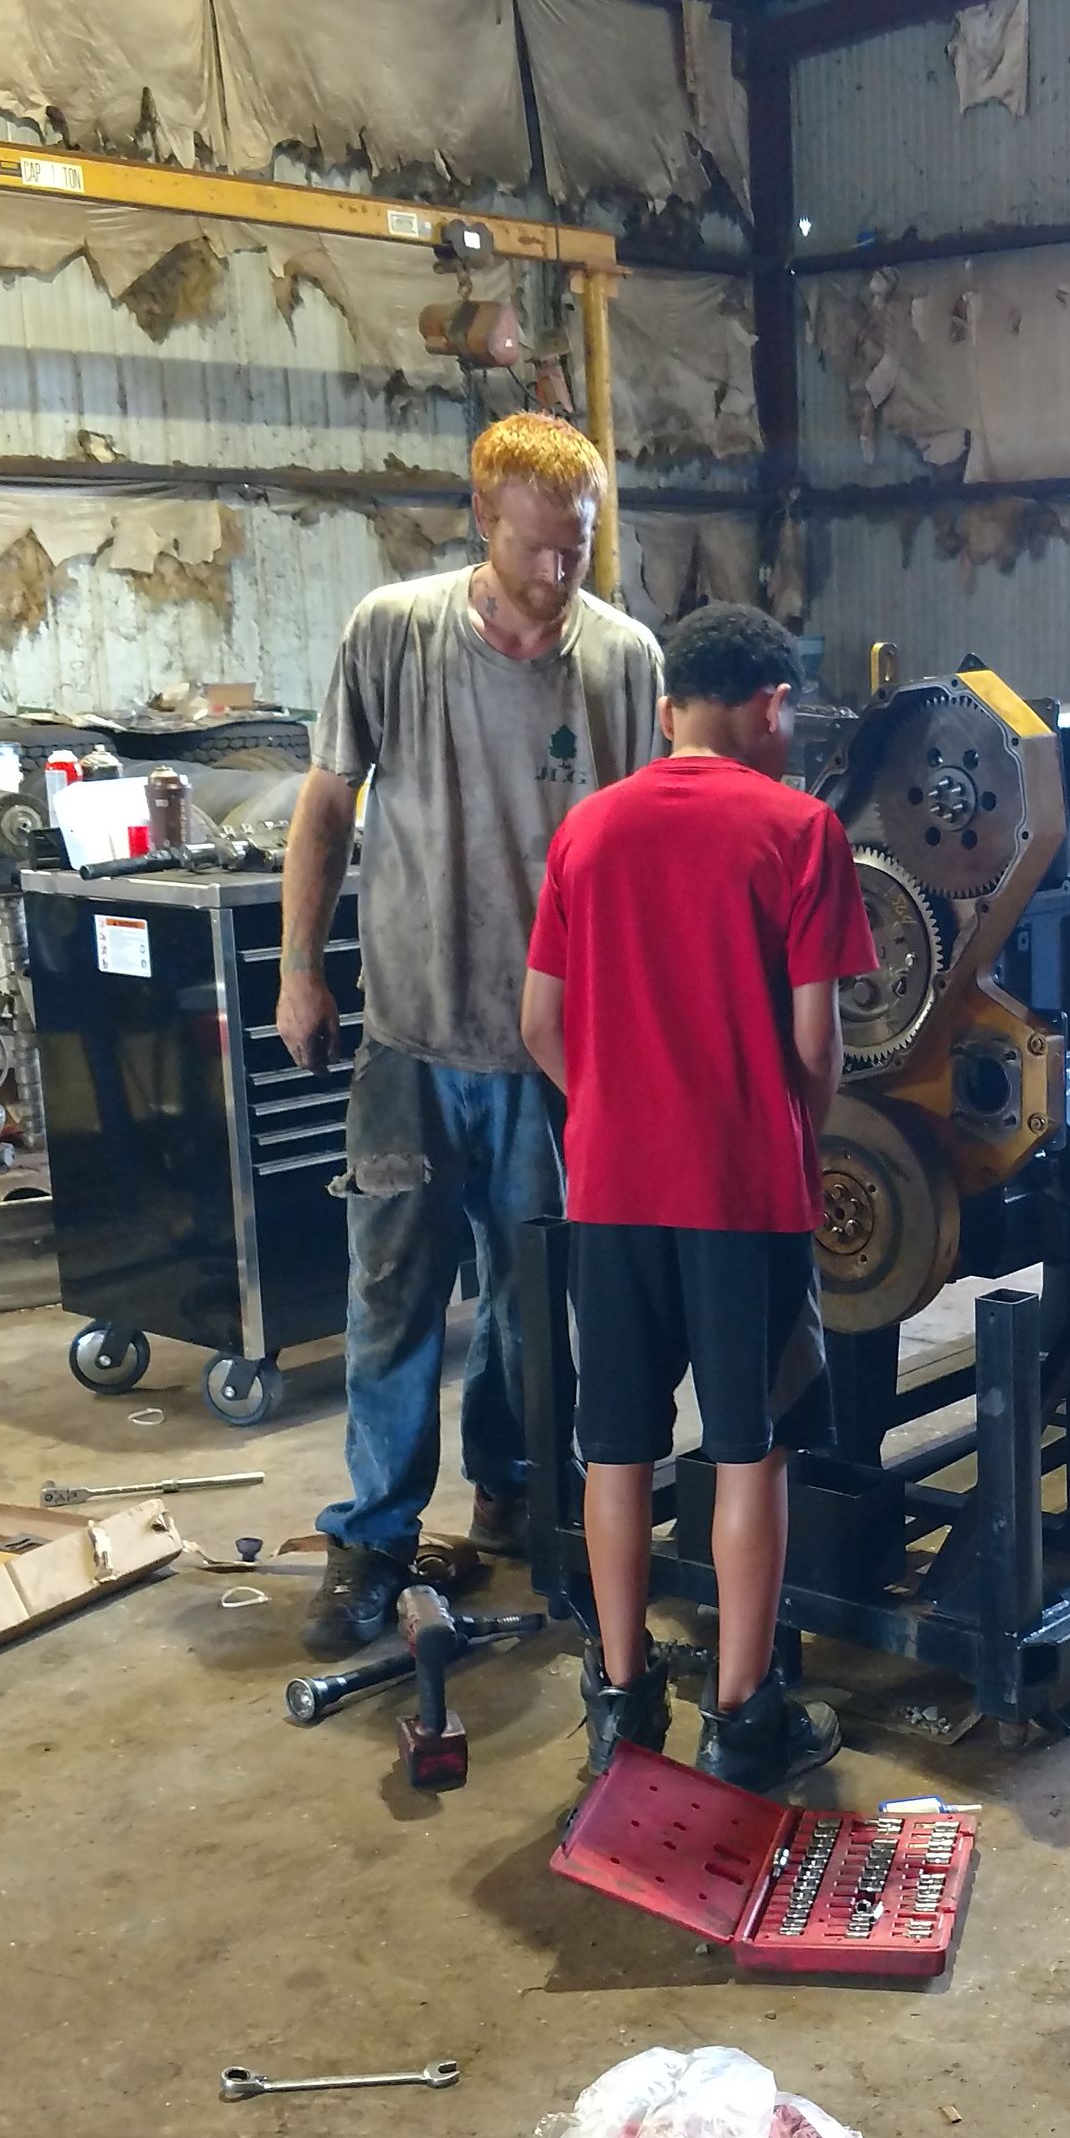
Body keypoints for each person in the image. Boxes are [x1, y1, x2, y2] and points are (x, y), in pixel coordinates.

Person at [279, 413, 661, 1658]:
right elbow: (326, 803)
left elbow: (650, 847)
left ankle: (520, 1492)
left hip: (558, 1050)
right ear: (483, 517)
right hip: (411, 1033)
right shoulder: (394, 632)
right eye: (538, 546)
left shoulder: (624, 660)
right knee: (392, 1292)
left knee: (532, 1298)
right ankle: (376, 1536)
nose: (558, 572)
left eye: (577, 548)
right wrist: (300, 967)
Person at [520, 600, 875, 1796]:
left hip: (611, 1189)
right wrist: (784, 1133)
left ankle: (621, 1708)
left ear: (669, 707)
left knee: (615, 1451)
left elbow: (539, 1020)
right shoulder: (801, 828)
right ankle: (740, 1719)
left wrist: (614, 1112)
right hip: (741, 1193)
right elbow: (818, 1043)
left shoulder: (587, 828)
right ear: (772, 705)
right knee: (746, 1453)